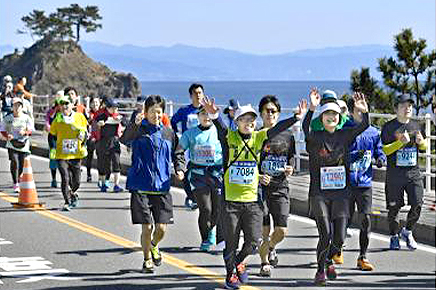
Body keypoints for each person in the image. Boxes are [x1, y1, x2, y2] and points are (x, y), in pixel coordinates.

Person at [201, 96, 303, 289]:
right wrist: (213, 114)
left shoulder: (259, 137)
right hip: (231, 201)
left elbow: (277, 128)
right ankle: (230, 274)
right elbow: (219, 125)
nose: (249, 122)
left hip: (253, 201)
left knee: (253, 243)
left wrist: (296, 118)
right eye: (244, 119)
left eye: (251, 119)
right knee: (230, 243)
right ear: (237, 122)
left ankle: (238, 262)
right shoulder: (229, 138)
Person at [302, 89, 369, 286]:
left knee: (339, 238)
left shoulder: (345, 135)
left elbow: (364, 125)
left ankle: (329, 258)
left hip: (341, 193)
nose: (331, 117)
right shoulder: (315, 137)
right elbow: (305, 127)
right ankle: (320, 270)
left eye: (334, 114)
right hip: (319, 193)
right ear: (322, 117)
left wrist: (363, 111)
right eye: (327, 114)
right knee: (325, 234)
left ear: (339, 117)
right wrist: (311, 109)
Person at [120, 95, 185, 274]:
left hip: (162, 187)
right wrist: (134, 124)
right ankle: (147, 259)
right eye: (152, 112)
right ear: (145, 113)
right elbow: (125, 139)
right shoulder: (138, 130)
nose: (156, 115)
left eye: (159, 112)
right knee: (147, 226)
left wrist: (180, 168)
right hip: (141, 185)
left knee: (161, 228)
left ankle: (154, 246)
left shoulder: (168, 133)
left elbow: (178, 153)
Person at [344, 97, 386, 271]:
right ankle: (337, 248)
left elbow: (379, 150)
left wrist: (380, 159)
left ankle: (363, 256)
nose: (360, 113)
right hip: (346, 182)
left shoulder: (374, 132)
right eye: (358, 110)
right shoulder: (344, 129)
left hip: (365, 183)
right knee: (342, 219)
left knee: (365, 220)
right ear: (352, 111)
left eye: (364, 110)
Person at [381, 94, 427, 250]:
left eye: (410, 106)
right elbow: (385, 151)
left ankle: (407, 231)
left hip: (413, 174)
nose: (407, 108)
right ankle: (394, 236)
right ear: (396, 109)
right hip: (395, 175)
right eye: (403, 106)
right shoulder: (388, 127)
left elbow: (424, 147)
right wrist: (399, 143)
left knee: (418, 204)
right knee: (394, 208)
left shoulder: (417, 125)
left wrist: (422, 144)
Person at [256, 95, 296, 277]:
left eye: (274, 111)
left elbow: (291, 156)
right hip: (260, 189)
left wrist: (291, 168)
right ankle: (264, 263)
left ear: (279, 114)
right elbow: (247, 161)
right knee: (263, 231)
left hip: (280, 187)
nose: (270, 114)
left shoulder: (288, 135)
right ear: (261, 114)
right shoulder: (256, 135)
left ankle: (271, 247)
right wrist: (258, 176)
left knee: (281, 230)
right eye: (267, 111)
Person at [178, 106, 223, 252]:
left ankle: (212, 230)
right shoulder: (190, 134)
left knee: (217, 209)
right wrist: (180, 167)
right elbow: (179, 151)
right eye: (203, 113)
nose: (206, 116)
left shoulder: (220, 132)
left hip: (217, 174)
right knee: (205, 209)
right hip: (198, 175)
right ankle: (205, 238)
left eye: (209, 113)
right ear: (198, 116)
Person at [48, 95, 88, 211]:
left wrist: (83, 141)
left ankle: (72, 193)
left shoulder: (80, 117)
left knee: (77, 182)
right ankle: (67, 201)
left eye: (67, 103)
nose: (64, 106)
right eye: (62, 104)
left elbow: (85, 132)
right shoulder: (58, 119)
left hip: (76, 154)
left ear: (72, 105)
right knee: (65, 178)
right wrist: (53, 149)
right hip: (61, 154)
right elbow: (51, 136)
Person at [171, 83, 205, 210]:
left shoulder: (206, 110)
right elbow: (173, 121)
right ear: (191, 96)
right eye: (195, 93)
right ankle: (190, 196)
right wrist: (178, 135)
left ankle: (198, 197)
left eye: (200, 92)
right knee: (185, 172)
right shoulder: (184, 111)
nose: (198, 95)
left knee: (200, 173)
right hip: (187, 147)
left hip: (202, 148)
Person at [0, 98, 34, 193]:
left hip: (23, 143)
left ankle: (19, 178)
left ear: (22, 107)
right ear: (12, 107)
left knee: (22, 164)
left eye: (19, 105)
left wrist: (25, 132)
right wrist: (7, 135)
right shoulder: (8, 118)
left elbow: (31, 130)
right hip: (12, 143)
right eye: (15, 105)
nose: (17, 108)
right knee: (14, 162)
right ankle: (15, 183)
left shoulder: (26, 118)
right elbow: (2, 129)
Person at [94, 98, 124, 192]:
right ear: (108, 108)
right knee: (104, 164)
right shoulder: (102, 116)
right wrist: (100, 123)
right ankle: (103, 184)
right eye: (113, 108)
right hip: (103, 141)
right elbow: (95, 121)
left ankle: (116, 185)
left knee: (116, 162)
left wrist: (120, 120)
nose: (115, 110)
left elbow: (125, 123)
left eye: (116, 108)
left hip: (114, 141)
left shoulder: (118, 116)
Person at [45, 91, 64, 188]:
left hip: (64, 138)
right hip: (53, 138)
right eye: (58, 97)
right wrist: (48, 126)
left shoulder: (66, 110)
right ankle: (53, 179)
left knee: (64, 159)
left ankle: (65, 179)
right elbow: (47, 121)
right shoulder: (52, 111)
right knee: (53, 158)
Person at [85, 96, 101, 182]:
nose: (95, 104)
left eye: (97, 103)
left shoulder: (101, 113)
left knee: (100, 158)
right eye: (93, 103)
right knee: (89, 157)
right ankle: (88, 175)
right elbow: (87, 122)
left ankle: (100, 176)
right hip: (91, 138)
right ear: (91, 104)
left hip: (100, 139)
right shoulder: (89, 113)